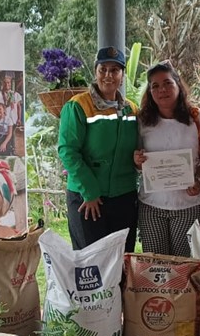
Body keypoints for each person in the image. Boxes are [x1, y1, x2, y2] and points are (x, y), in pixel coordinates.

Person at [57, 46, 140, 252]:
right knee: (91, 263)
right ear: (95, 72)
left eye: (115, 70)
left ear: (122, 75)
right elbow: (68, 151)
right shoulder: (78, 106)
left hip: (124, 197)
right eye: (103, 69)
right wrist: (90, 192)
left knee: (121, 260)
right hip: (89, 199)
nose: (108, 75)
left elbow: (139, 145)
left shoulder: (132, 109)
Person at [133, 63, 200, 257]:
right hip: (151, 207)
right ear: (150, 92)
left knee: (185, 268)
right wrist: (137, 161)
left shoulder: (197, 118)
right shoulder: (142, 120)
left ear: (178, 84)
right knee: (156, 267)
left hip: (188, 206)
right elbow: (137, 161)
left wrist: (199, 181)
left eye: (167, 83)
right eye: (155, 86)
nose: (162, 90)